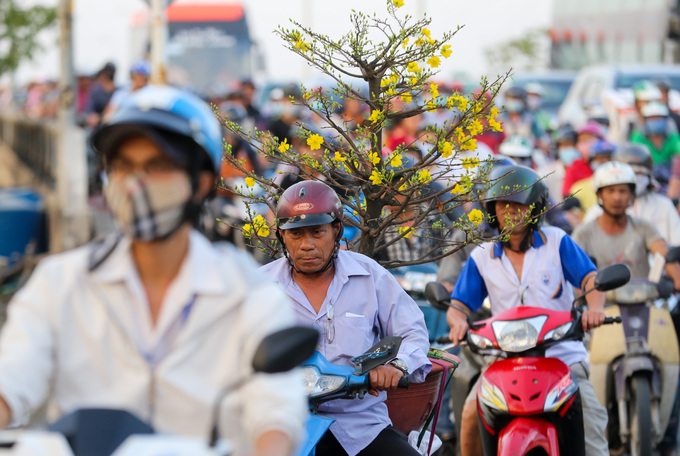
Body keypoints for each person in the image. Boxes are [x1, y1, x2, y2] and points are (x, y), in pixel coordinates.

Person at [0, 85, 307, 456]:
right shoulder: (60, 282)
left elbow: (276, 412)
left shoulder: (247, 293)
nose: (135, 184)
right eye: (123, 166)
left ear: (201, 182)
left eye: (157, 166)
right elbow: (12, 374)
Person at [445, 164, 610, 456]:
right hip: (502, 360)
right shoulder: (482, 255)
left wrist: (594, 309)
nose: (511, 211)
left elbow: (590, 280)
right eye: (503, 204)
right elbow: (459, 306)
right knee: (470, 412)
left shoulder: (557, 241)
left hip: (561, 356)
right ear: (491, 209)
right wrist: (457, 322)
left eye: (520, 205)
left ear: (535, 208)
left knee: (593, 424)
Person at [261, 180, 431, 456]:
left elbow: (413, 332)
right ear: (281, 235)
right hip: (281, 425)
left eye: (317, 232)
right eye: (295, 234)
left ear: (336, 230)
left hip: (359, 426)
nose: (306, 245)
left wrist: (397, 366)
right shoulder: (259, 287)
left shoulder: (370, 276)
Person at [572, 161, 680, 288]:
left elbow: (664, 254)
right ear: (599, 194)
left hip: (644, 302)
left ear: (631, 194)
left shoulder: (644, 228)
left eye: (622, 191)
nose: (617, 197)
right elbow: (575, 272)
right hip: (603, 305)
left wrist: (677, 279)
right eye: (610, 191)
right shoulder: (583, 233)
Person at [582, 143, 680, 246]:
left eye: (639, 173)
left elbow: (676, 242)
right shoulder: (597, 212)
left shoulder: (664, 205)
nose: (635, 179)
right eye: (630, 174)